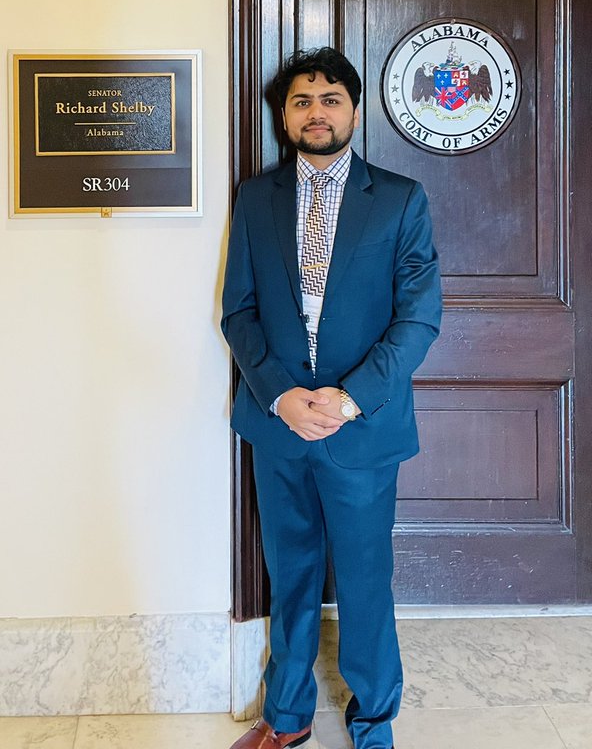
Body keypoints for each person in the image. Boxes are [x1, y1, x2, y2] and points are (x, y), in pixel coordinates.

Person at [222, 47, 441, 749]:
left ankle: (374, 718)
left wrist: (349, 400)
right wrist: (280, 396)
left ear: (353, 110)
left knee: (365, 579)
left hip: (362, 428)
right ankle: (286, 716)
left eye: (330, 99)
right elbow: (238, 311)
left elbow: (419, 317)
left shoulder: (400, 199)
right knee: (290, 575)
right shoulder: (256, 198)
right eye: (301, 101)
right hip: (278, 426)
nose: (316, 112)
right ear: (285, 118)